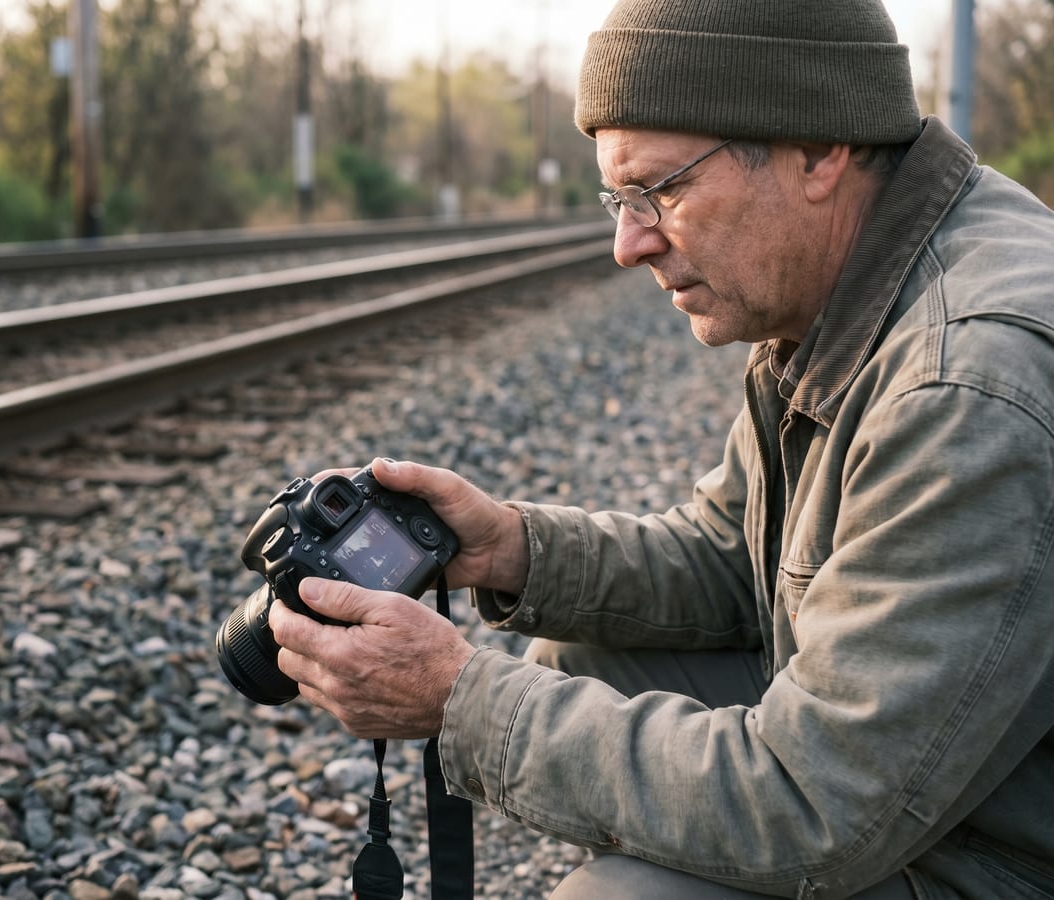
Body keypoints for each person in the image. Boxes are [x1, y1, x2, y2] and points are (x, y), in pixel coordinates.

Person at [265, 0, 1054, 896]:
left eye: (661, 190)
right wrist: (512, 549)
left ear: (822, 149)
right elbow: (733, 559)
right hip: (965, 774)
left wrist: (458, 700)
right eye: (617, 197)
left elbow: (812, 805)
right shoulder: (843, 290)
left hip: (1010, 850)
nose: (627, 244)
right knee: (579, 655)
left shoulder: (966, 381)